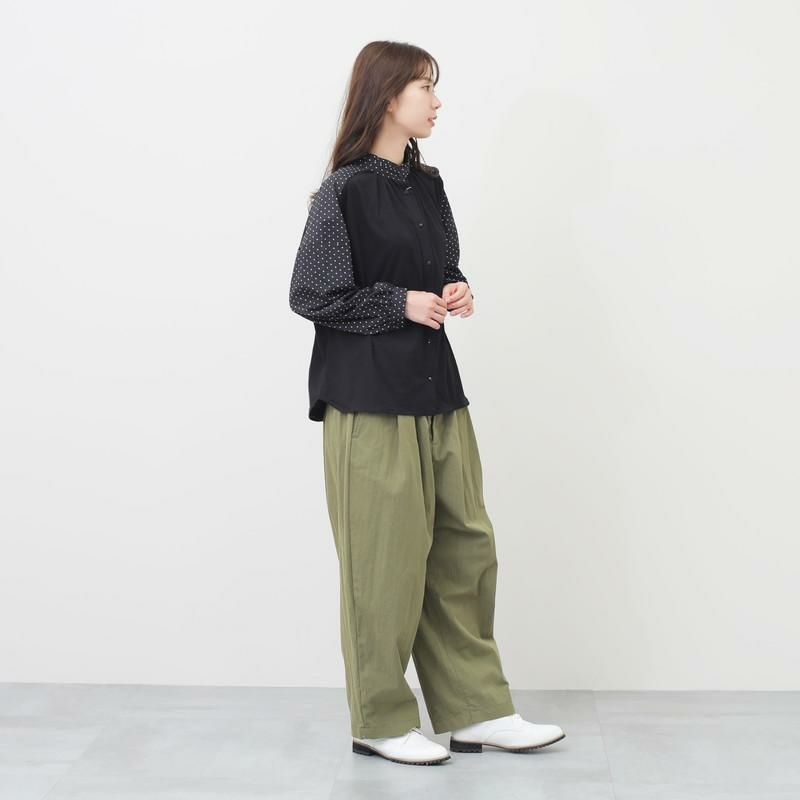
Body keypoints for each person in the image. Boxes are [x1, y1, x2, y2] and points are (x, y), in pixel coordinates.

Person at [289, 40, 566, 766]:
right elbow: (311, 293)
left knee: (464, 548)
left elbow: (438, 266)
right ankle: (379, 720)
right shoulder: (345, 191)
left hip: (437, 391)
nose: (437, 102)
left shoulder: (428, 186)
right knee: (384, 563)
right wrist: (399, 303)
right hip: (368, 402)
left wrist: (453, 288)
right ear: (387, 97)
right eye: (424, 87)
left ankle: (477, 711)